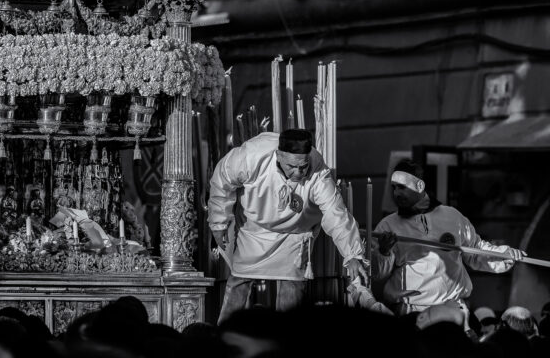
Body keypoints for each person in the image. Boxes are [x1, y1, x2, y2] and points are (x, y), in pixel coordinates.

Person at [208, 130, 365, 324]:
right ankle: (225, 337)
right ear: (279, 155)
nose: (298, 173)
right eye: (292, 166)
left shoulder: (317, 171)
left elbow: (336, 213)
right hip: (253, 231)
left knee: (291, 303)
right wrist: (218, 222)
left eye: (303, 167)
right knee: (237, 286)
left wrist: (352, 254)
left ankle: (286, 343)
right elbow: (222, 180)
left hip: (294, 236)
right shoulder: (251, 156)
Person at [372, 158, 525, 315]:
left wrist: (503, 255)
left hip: (453, 311)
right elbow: (376, 273)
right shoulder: (387, 225)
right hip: (410, 313)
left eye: (402, 187)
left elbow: (475, 251)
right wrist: (383, 252)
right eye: (394, 188)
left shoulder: (452, 216)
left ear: (420, 186)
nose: (396, 193)